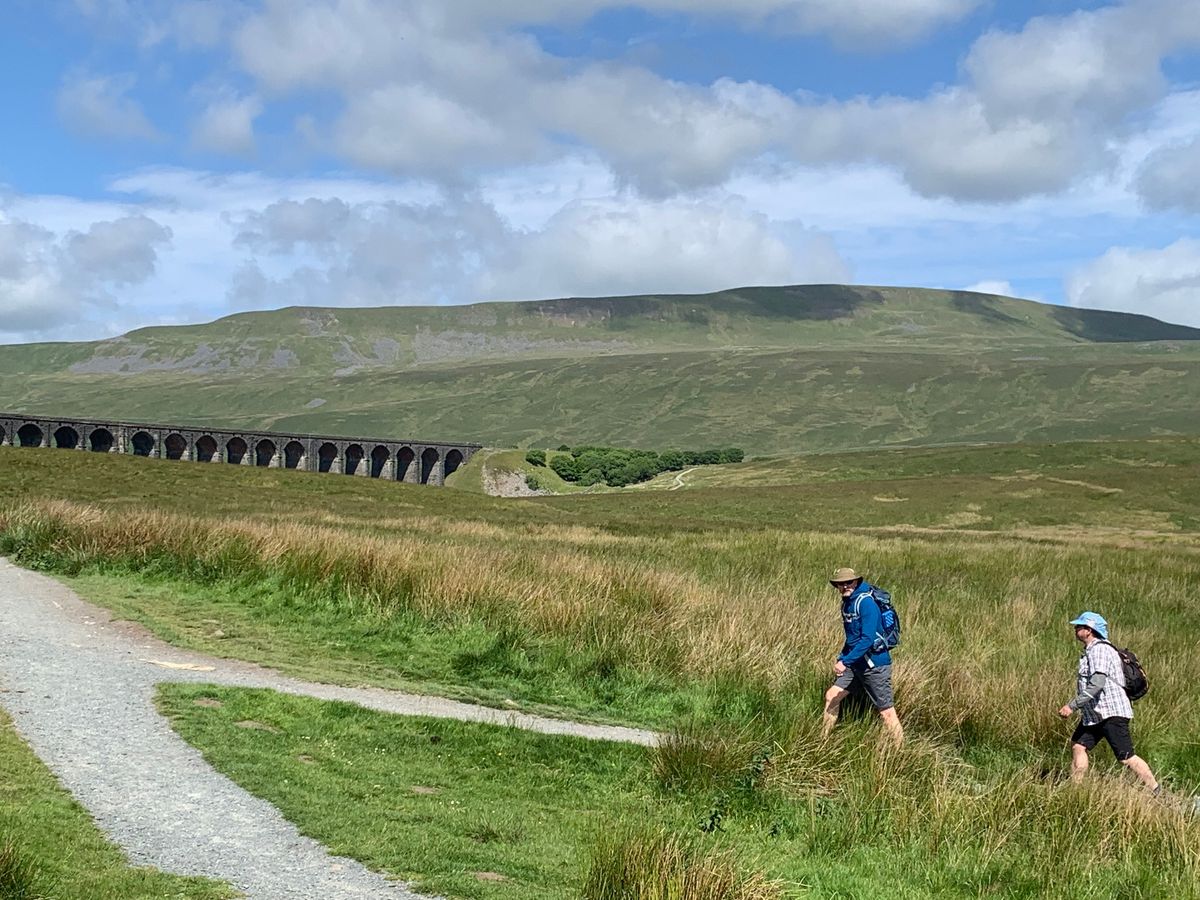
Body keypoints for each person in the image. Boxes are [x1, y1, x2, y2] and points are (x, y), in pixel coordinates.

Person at [1057, 611, 1159, 792]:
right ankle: (1075, 790)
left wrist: (1072, 706)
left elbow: (1097, 684)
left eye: (1079, 626)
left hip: (1111, 713)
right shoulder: (1093, 650)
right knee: (1079, 745)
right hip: (1095, 714)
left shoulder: (1100, 650)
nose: (1075, 629)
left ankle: (1157, 791)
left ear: (1089, 630)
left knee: (1126, 757)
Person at [821, 567, 903, 746]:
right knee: (832, 695)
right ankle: (823, 741)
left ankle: (900, 751)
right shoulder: (847, 603)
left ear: (856, 581)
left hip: (875, 665)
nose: (844, 586)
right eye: (840, 584)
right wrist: (842, 658)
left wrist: (846, 661)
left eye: (848, 582)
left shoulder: (866, 603)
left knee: (886, 712)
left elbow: (867, 639)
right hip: (855, 663)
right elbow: (852, 638)